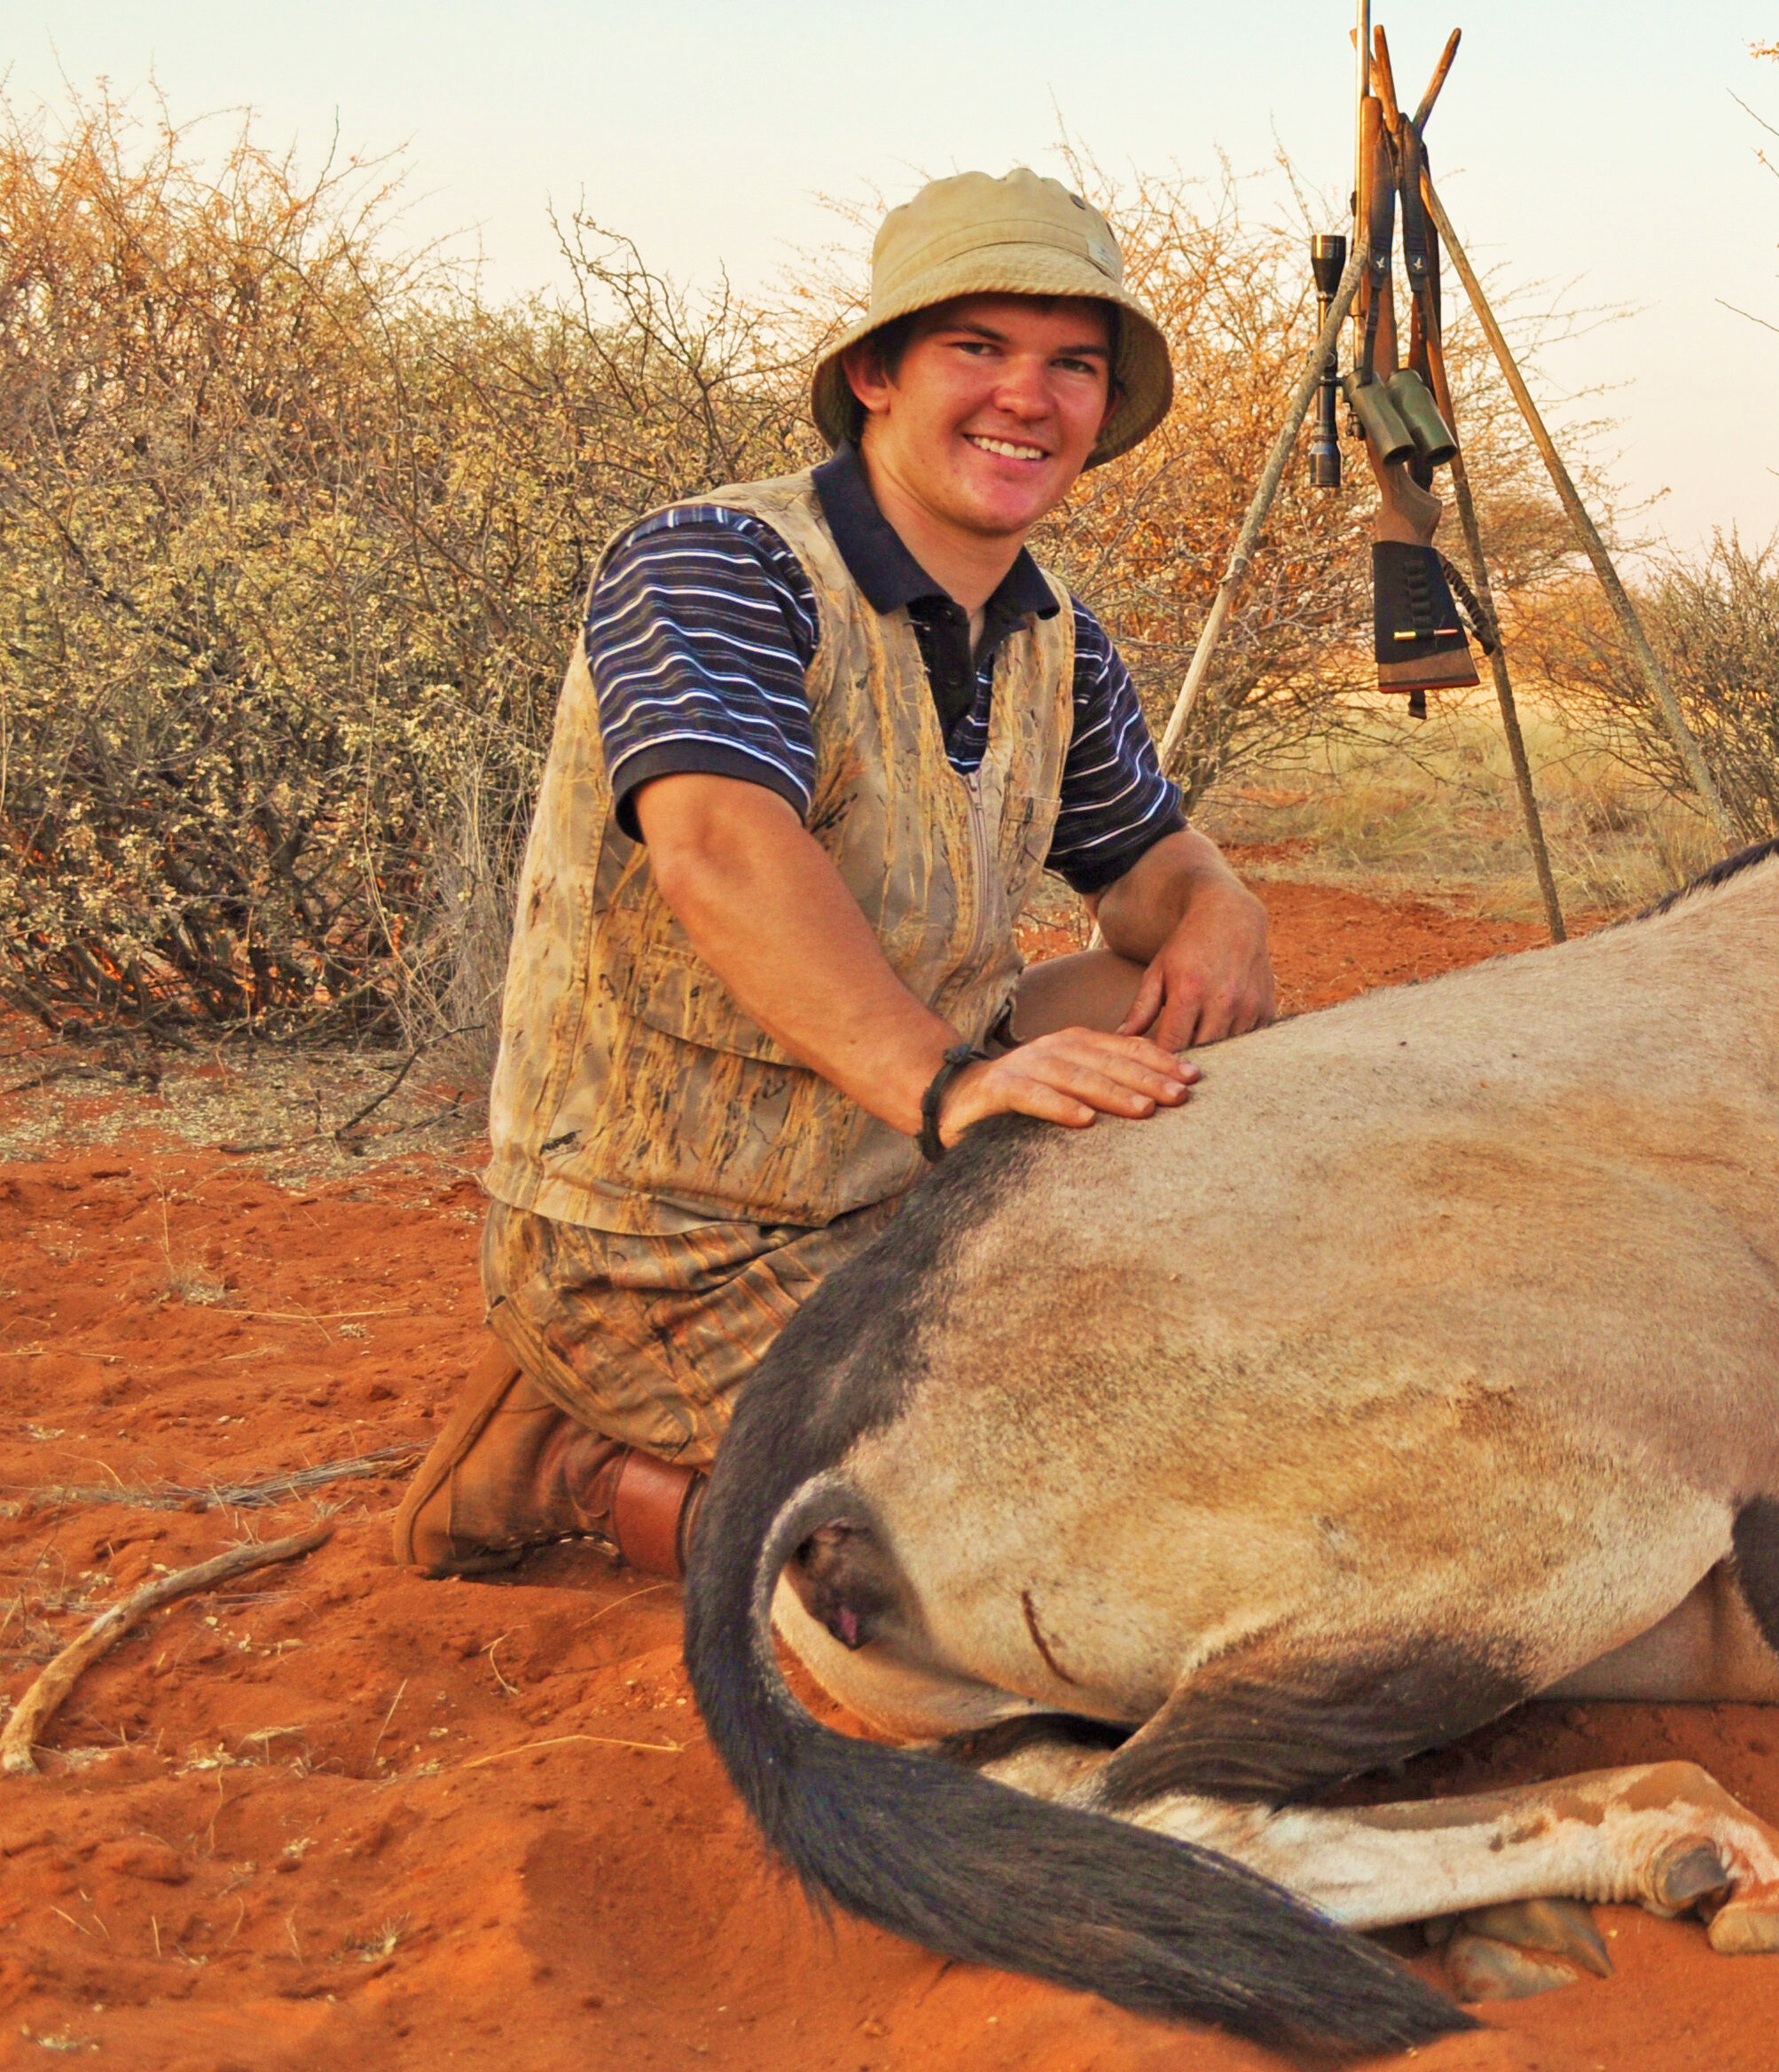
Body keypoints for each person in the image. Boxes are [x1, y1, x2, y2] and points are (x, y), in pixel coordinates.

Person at [390, 168, 1279, 1578]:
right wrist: (950, 1084)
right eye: (975, 350)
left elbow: (1145, 863)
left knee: (1168, 1014)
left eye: (1071, 366)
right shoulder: (719, 560)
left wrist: (1221, 906)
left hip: (898, 1195)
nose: (1025, 399)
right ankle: (580, 1465)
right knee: (1038, 1542)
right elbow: (718, 843)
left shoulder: (1058, 635)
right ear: (875, 372)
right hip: (659, 1241)